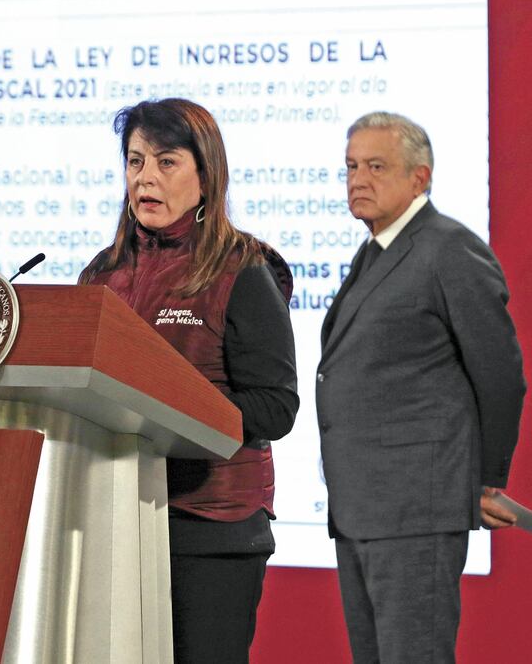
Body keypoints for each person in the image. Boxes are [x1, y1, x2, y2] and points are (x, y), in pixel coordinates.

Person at [79, 98, 299, 663]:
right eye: (134, 161)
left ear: (206, 176)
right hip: (114, 522)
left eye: (166, 162)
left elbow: (275, 407)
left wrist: (178, 408)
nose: (145, 177)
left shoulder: (242, 269)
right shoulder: (100, 276)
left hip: (211, 527)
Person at [316, 111, 526, 663]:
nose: (358, 179)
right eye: (351, 166)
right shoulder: (376, 252)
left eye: (376, 166)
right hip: (363, 509)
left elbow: (501, 374)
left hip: (417, 511)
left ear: (420, 177)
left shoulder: (447, 249)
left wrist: (486, 481)